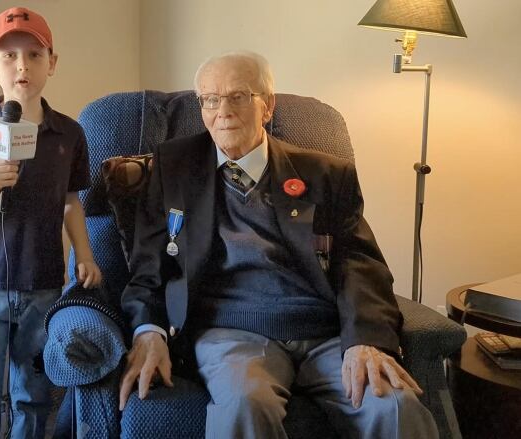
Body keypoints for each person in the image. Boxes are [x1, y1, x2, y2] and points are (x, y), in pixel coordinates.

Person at [118, 51, 438, 438]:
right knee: (245, 404)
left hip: (327, 335)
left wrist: (367, 339)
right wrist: (147, 330)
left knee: (396, 408)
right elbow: (150, 263)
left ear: (267, 106)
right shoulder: (175, 165)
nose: (223, 111)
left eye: (238, 96)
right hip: (232, 332)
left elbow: (360, 264)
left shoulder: (326, 174)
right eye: (210, 99)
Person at [0, 7, 102, 439]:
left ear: (52, 62)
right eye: (8, 56)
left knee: (34, 396)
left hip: (42, 284)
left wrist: (84, 254)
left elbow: (70, 201)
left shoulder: (69, 135)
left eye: (33, 54)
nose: (22, 66)